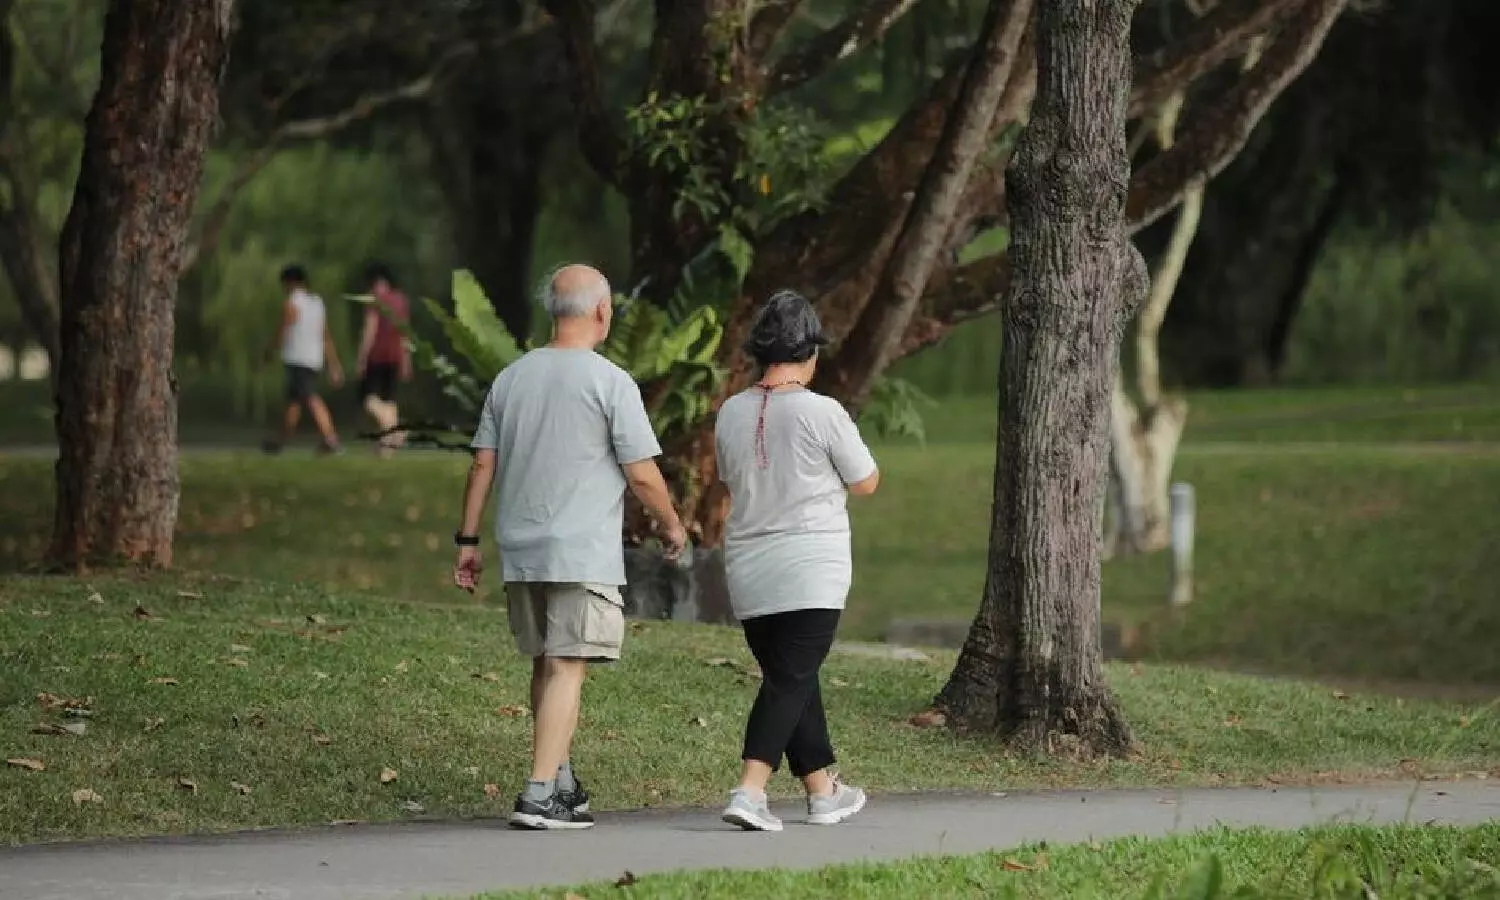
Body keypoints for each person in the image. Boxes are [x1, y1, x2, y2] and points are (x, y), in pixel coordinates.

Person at [451, 263, 688, 831]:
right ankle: (538, 794)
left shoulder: (511, 378)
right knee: (566, 663)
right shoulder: (610, 382)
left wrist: (467, 539)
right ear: (602, 313)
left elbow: (483, 462)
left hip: (522, 546)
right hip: (580, 550)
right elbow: (644, 475)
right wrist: (672, 526)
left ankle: (560, 780)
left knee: (546, 662)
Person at [713, 290, 880, 832]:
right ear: (809, 352)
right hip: (810, 568)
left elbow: (732, 481)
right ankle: (750, 791)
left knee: (792, 676)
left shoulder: (730, 414)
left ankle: (822, 792)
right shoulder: (821, 410)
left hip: (749, 570)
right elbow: (867, 480)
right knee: (789, 679)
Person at [264, 264, 343, 455]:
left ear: (289, 282)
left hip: (298, 358)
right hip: (314, 358)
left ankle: (331, 439)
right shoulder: (317, 303)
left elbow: (282, 329)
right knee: (294, 402)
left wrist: (269, 351)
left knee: (310, 397)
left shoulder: (292, 303)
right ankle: (280, 441)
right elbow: (326, 335)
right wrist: (333, 364)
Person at [355, 263, 413, 458]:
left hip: (377, 355)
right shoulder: (401, 300)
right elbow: (405, 332)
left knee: (368, 398)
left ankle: (394, 428)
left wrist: (361, 357)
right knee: (389, 400)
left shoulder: (374, 300)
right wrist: (407, 359)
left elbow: (369, 330)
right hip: (396, 355)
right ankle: (387, 449)